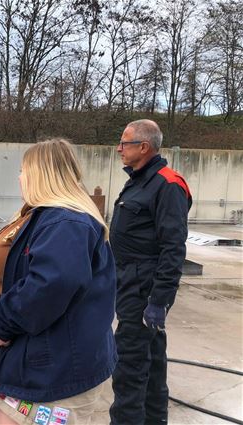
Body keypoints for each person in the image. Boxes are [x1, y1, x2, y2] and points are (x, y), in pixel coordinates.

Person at [0, 139, 117, 425]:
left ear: (41, 174)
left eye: (23, 169)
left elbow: (51, 284)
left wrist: (2, 325)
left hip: (54, 373)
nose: (19, 177)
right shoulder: (40, 217)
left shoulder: (65, 223)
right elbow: (11, 274)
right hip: (37, 362)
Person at [109, 120, 192, 425]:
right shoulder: (140, 180)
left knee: (129, 369)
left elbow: (173, 248)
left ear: (143, 147)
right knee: (153, 366)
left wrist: (159, 300)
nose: (119, 149)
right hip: (130, 283)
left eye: (124, 143)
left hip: (143, 291)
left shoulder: (168, 184)